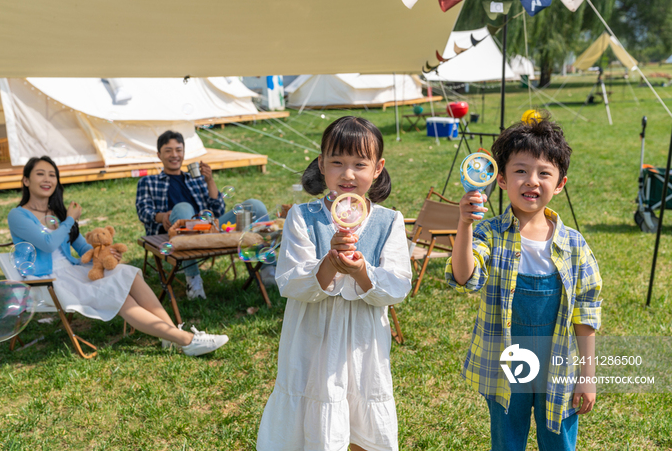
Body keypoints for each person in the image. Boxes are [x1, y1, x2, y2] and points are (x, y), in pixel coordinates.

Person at [445, 117, 602, 450]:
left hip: (559, 366)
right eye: (520, 171)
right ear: (500, 179)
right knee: (507, 441)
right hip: (506, 365)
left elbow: (586, 312)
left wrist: (586, 375)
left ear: (560, 183)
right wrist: (464, 225)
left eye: (544, 173)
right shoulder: (488, 234)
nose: (532, 181)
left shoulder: (574, 245)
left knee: (558, 441)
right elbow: (464, 275)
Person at [256, 116, 412, 451]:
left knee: (360, 414)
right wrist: (329, 262)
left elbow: (397, 285)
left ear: (378, 168)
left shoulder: (389, 221)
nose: (348, 174)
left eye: (360, 164)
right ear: (322, 164)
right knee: (313, 417)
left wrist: (359, 271)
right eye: (337, 163)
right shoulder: (303, 216)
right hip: (311, 343)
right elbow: (291, 281)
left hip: (363, 346)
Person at [8, 156, 229, 356]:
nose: (47, 179)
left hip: (74, 272)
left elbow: (84, 249)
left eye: (52, 175)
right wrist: (70, 219)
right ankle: (187, 340)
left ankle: (170, 335)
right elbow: (48, 244)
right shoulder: (18, 215)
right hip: (50, 282)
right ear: (26, 180)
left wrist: (103, 255)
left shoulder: (57, 215)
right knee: (119, 295)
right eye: (40, 174)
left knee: (129, 274)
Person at [135, 130, 269, 299]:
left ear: (183, 152)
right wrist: (163, 217)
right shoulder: (148, 182)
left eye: (178, 150)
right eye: (168, 150)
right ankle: (193, 281)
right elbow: (143, 212)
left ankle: (269, 270)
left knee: (254, 205)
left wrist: (210, 180)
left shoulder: (195, 179)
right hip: (171, 234)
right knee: (184, 208)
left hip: (208, 229)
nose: (174, 155)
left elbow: (218, 210)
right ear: (159, 155)